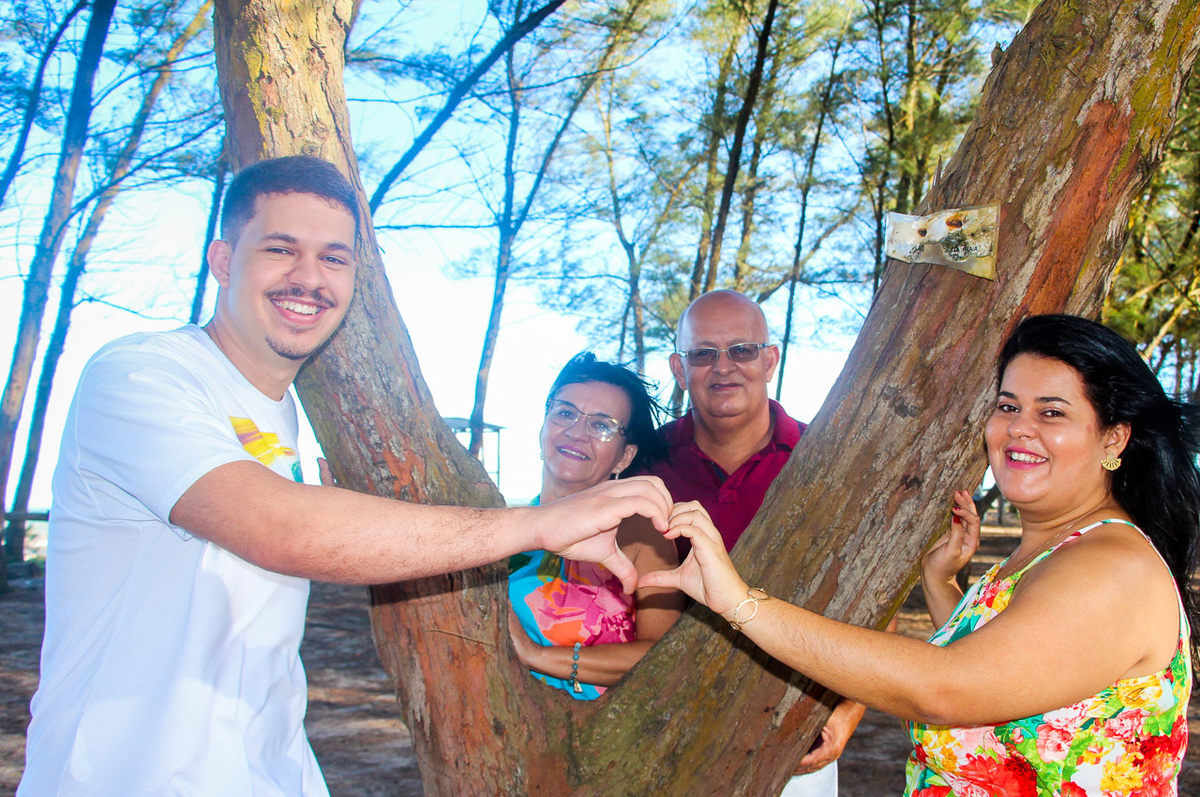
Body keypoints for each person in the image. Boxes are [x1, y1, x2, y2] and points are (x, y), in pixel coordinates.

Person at [19, 156, 672, 796]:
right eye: (280, 248)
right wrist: (537, 525)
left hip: (267, 768)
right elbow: (275, 526)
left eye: (334, 258)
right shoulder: (141, 376)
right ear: (221, 261)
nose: (310, 277)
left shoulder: (291, 414)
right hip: (121, 775)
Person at [647, 314, 1198, 796]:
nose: (1018, 429)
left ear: (1113, 439)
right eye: (1008, 406)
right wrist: (943, 586)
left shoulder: (1111, 567)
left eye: (1051, 413)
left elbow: (946, 689)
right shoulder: (1053, 553)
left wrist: (741, 601)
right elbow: (1018, 687)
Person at [643, 289, 865, 796]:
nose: (724, 367)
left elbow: (874, 585)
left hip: (791, 730)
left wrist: (848, 711)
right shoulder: (647, 464)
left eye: (741, 350)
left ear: (770, 360)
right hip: (662, 733)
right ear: (679, 369)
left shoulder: (825, 460)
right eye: (703, 353)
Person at [507, 353, 685, 699]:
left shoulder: (642, 537)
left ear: (625, 457)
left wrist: (537, 656)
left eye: (602, 425)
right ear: (544, 425)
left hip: (607, 735)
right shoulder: (506, 529)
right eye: (565, 413)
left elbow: (662, 656)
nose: (576, 432)